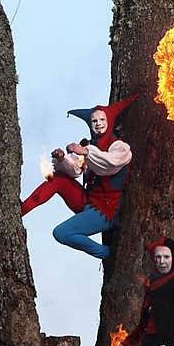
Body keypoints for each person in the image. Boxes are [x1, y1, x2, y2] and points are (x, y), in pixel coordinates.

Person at [20, 95, 137, 261]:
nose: (98, 124)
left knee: (61, 233)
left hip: (106, 210)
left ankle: (107, 254)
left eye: (102, 119)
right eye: (94, 121)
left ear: (109, 121)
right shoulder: (87, 145)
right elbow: (75, 170)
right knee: (58, 179)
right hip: (87, 201)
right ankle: (21, 210)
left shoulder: (118, 146)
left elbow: (110, 165)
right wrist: (61, 158)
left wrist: (87, 152)